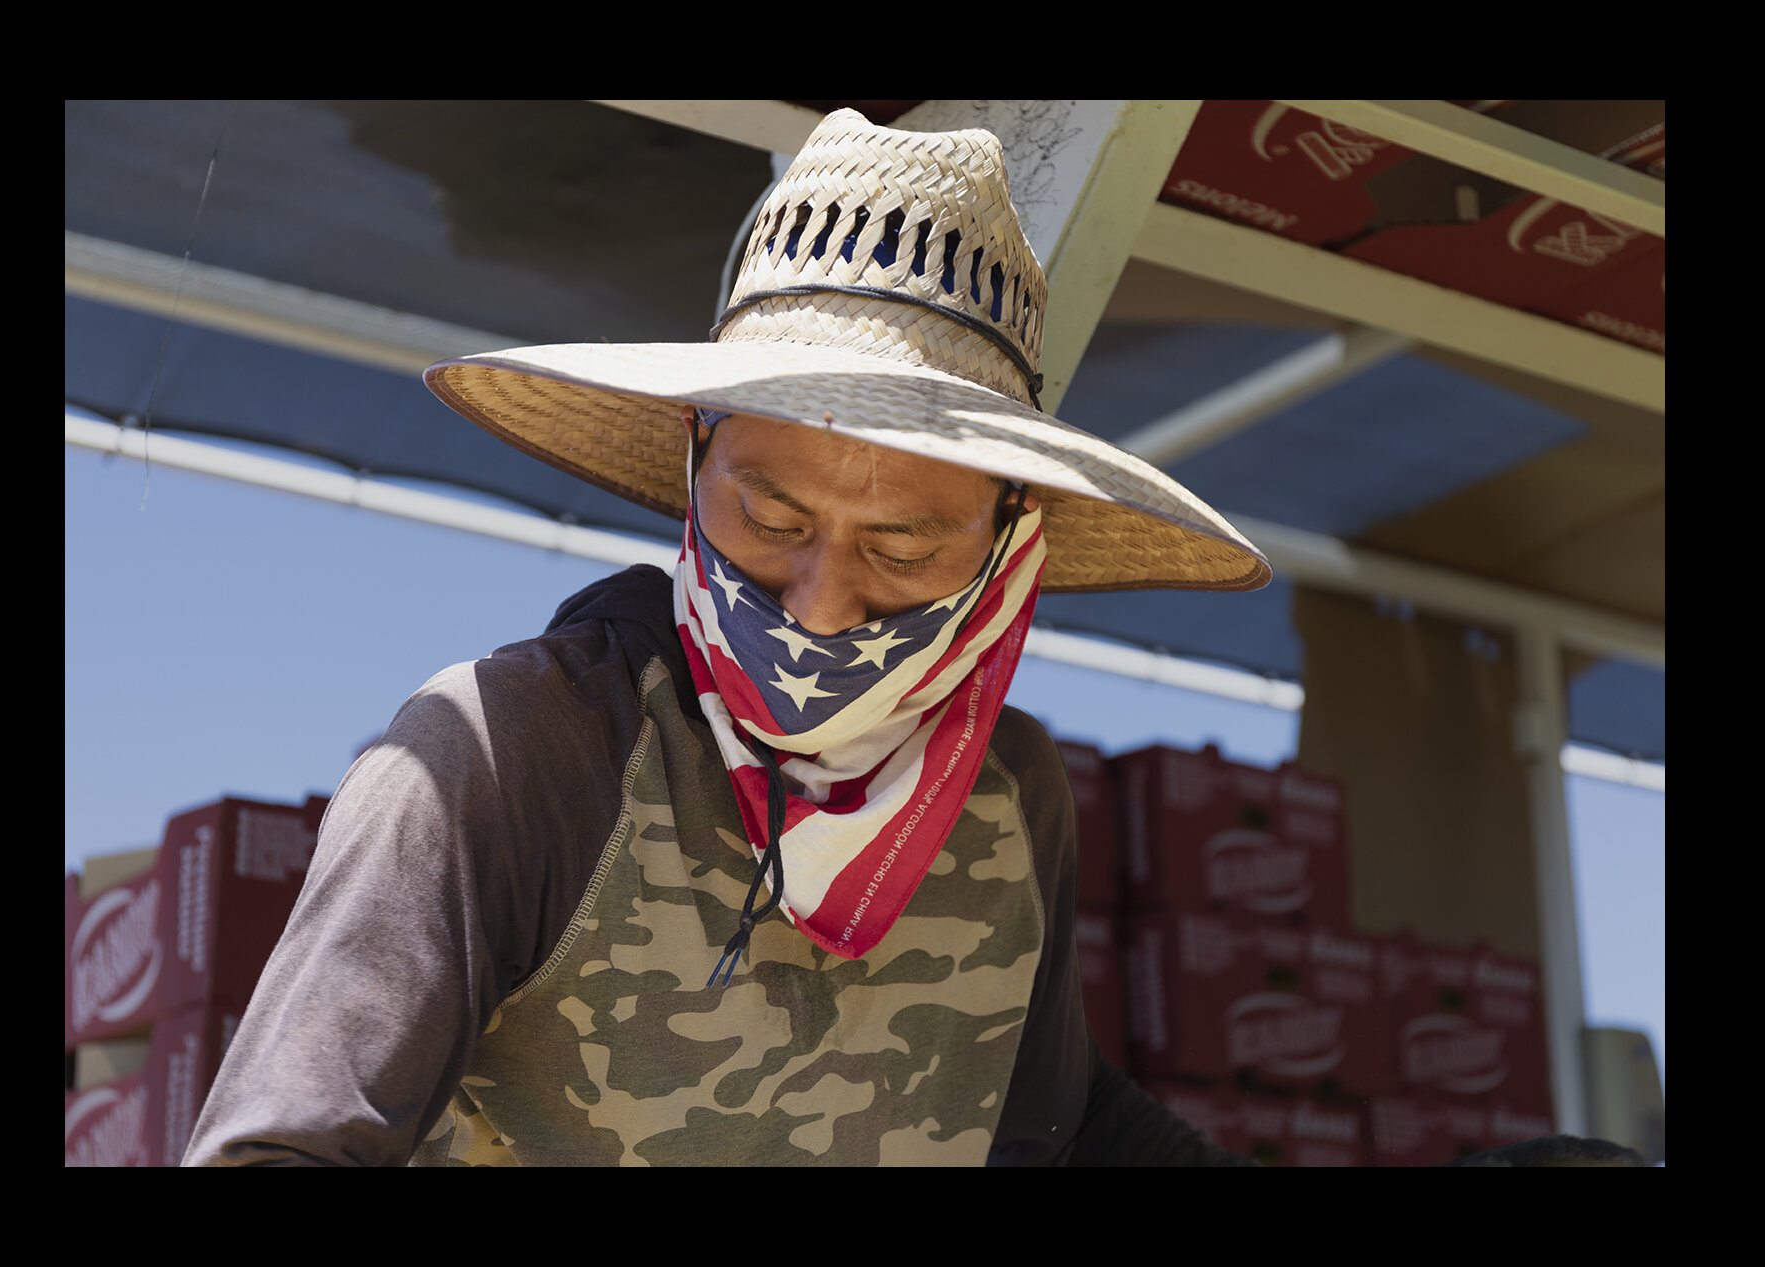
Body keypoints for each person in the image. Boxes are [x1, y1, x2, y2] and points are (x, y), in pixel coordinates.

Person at [181, 107, 1638, 1167]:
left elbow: (1047, 1127)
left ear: (1007, 547)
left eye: (904, 548)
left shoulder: (1007, 802)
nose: (820, 603)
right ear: (694, 469)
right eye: (767, 516)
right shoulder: (503, 756)